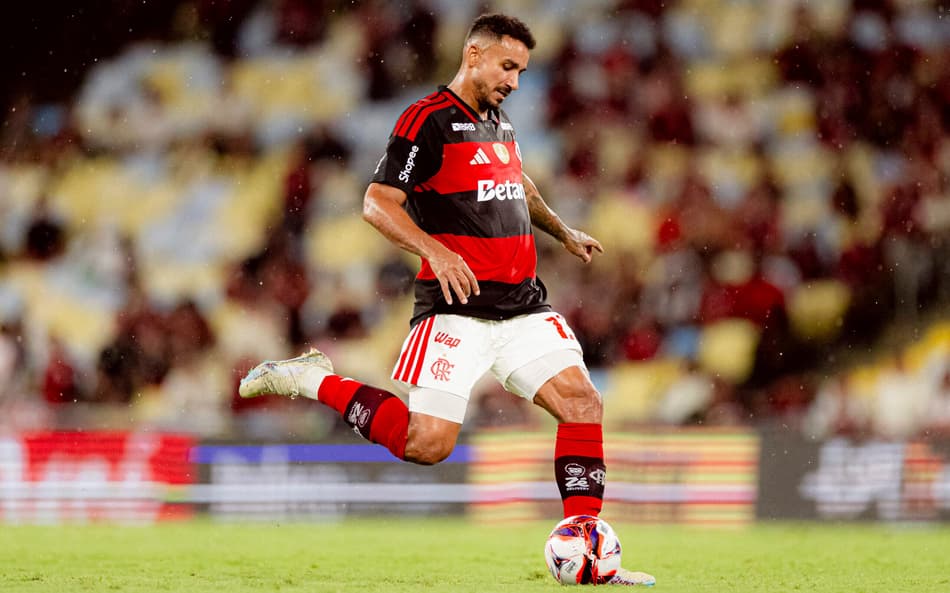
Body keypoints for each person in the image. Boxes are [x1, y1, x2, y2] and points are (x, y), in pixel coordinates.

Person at [240, 13, 655, 587]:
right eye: (508, 66)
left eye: (522, 71)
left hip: (523, 308)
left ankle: (586, 550)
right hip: (457, 309)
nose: (514, 80)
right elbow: (377, 203)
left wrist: (562, 231)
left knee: (583, 403)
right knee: (426, 444)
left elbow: (519, 183)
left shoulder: (498, 122)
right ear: (474, 55)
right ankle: (310, 379)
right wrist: (435, 250)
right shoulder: (426, 120)